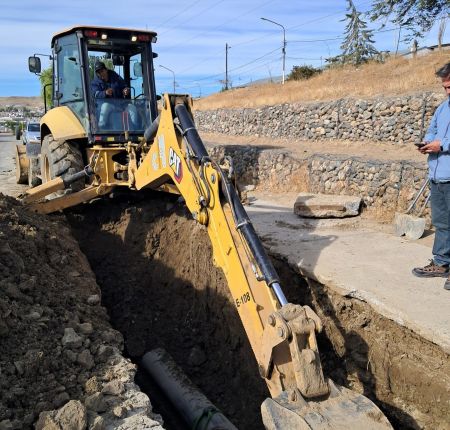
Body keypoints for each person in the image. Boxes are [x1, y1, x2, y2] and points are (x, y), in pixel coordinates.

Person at [412, 62, 450, 290]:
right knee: (442, 223)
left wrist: (442, 145)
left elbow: (442, 141)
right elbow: (432, 130)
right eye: (445, 87)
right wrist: (427, 143)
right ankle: (442, 263)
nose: (448, 91)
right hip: (438, 176)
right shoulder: (443, 108)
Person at [91, 61, 138, 129]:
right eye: (98, 72)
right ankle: (102, 128)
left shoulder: (115, 77)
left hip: (121, 104)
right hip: (107, 105)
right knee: (105, 106)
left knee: (132, 108)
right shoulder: (95, 82)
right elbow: (95, 94)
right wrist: (105, 93)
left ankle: (135, 128)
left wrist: (125, 90)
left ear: (106, 70)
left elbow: (124, 85)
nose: (101, 74)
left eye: (102, 71)